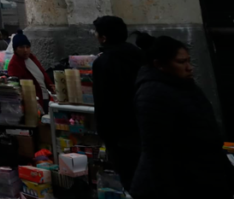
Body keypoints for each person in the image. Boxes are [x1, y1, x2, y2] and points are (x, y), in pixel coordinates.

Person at [131, 36, 233, 199]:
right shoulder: (152, 94)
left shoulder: (185, 86)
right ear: (160, 65)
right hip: (184, 183)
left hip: (205, 176)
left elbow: (209, 137)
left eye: (188, 61)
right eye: (181, 62)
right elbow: (156, 153)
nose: (189, 67)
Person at [91, 16, 144, 189]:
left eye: (97, 33)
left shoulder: (104, 62)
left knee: (131, 181)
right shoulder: (139, 55)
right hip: (144, 126)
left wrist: (104, 133)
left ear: (104, 37)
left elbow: (103, 102)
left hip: (120, 134)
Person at [6, 33, 54, 108]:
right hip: (34, 102)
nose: (25, 50)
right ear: (15, 49)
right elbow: (16, 87)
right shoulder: (14, 64)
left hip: (45, 96)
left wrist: (52, 87)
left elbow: (43, 73)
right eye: (21, 47)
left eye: (27, 47)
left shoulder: (31, 58)